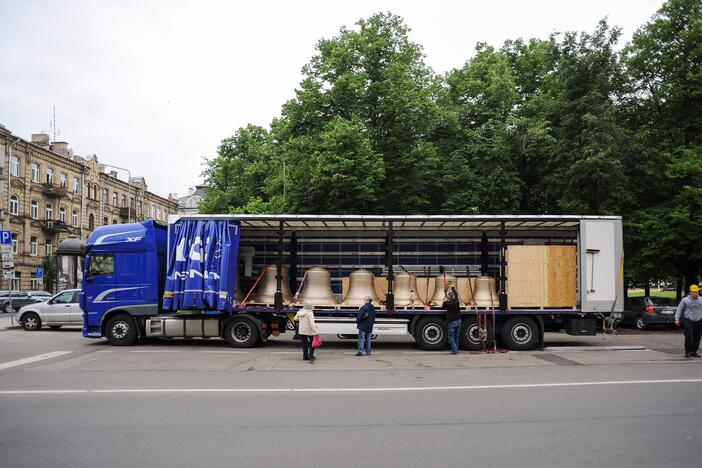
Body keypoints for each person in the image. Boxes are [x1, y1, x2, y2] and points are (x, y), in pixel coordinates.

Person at [675, 285, 702, 358]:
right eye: (694, 292)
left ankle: (694, 351)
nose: (696, 294)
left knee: (697, 337)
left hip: (698, 320)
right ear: (690, 292)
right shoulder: (685, 300)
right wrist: (677, 319)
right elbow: (679, 309)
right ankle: (687, 352)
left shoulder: (701, 299)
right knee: (689, 336)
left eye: (697, 292)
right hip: (688, 320)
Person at [442, 286, 461, 354]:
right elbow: (456, 294)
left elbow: (442, 307)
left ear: (449, 297)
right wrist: (452, 287)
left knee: (451, 336)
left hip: (452, 321)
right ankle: (456, 350)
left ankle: (455, 351)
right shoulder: (456, 301)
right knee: (456, 336)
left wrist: (445, 299)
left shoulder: (447, 303)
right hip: (458, 321)